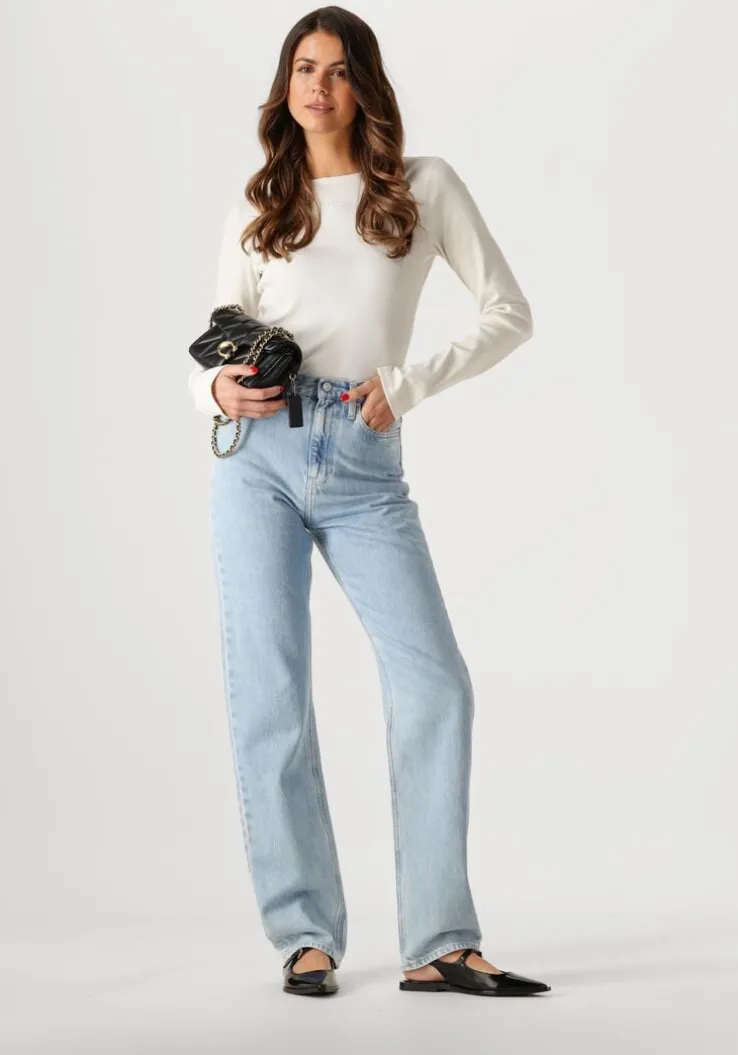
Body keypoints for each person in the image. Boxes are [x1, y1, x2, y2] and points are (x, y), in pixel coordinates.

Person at [188, 7, 551, 999]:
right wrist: (213, 390)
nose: (319, 85)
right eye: (303, 67)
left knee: (436, 682)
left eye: (339, 70)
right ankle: (304, 933)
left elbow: (509, 312)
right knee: (271, 696)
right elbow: (216, 339)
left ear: (365, 87)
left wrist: (411, 380)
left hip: (364, 456)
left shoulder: (422, 187)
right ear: (285, 85)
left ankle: (439, 940)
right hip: (257, 456)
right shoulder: (260, 203)